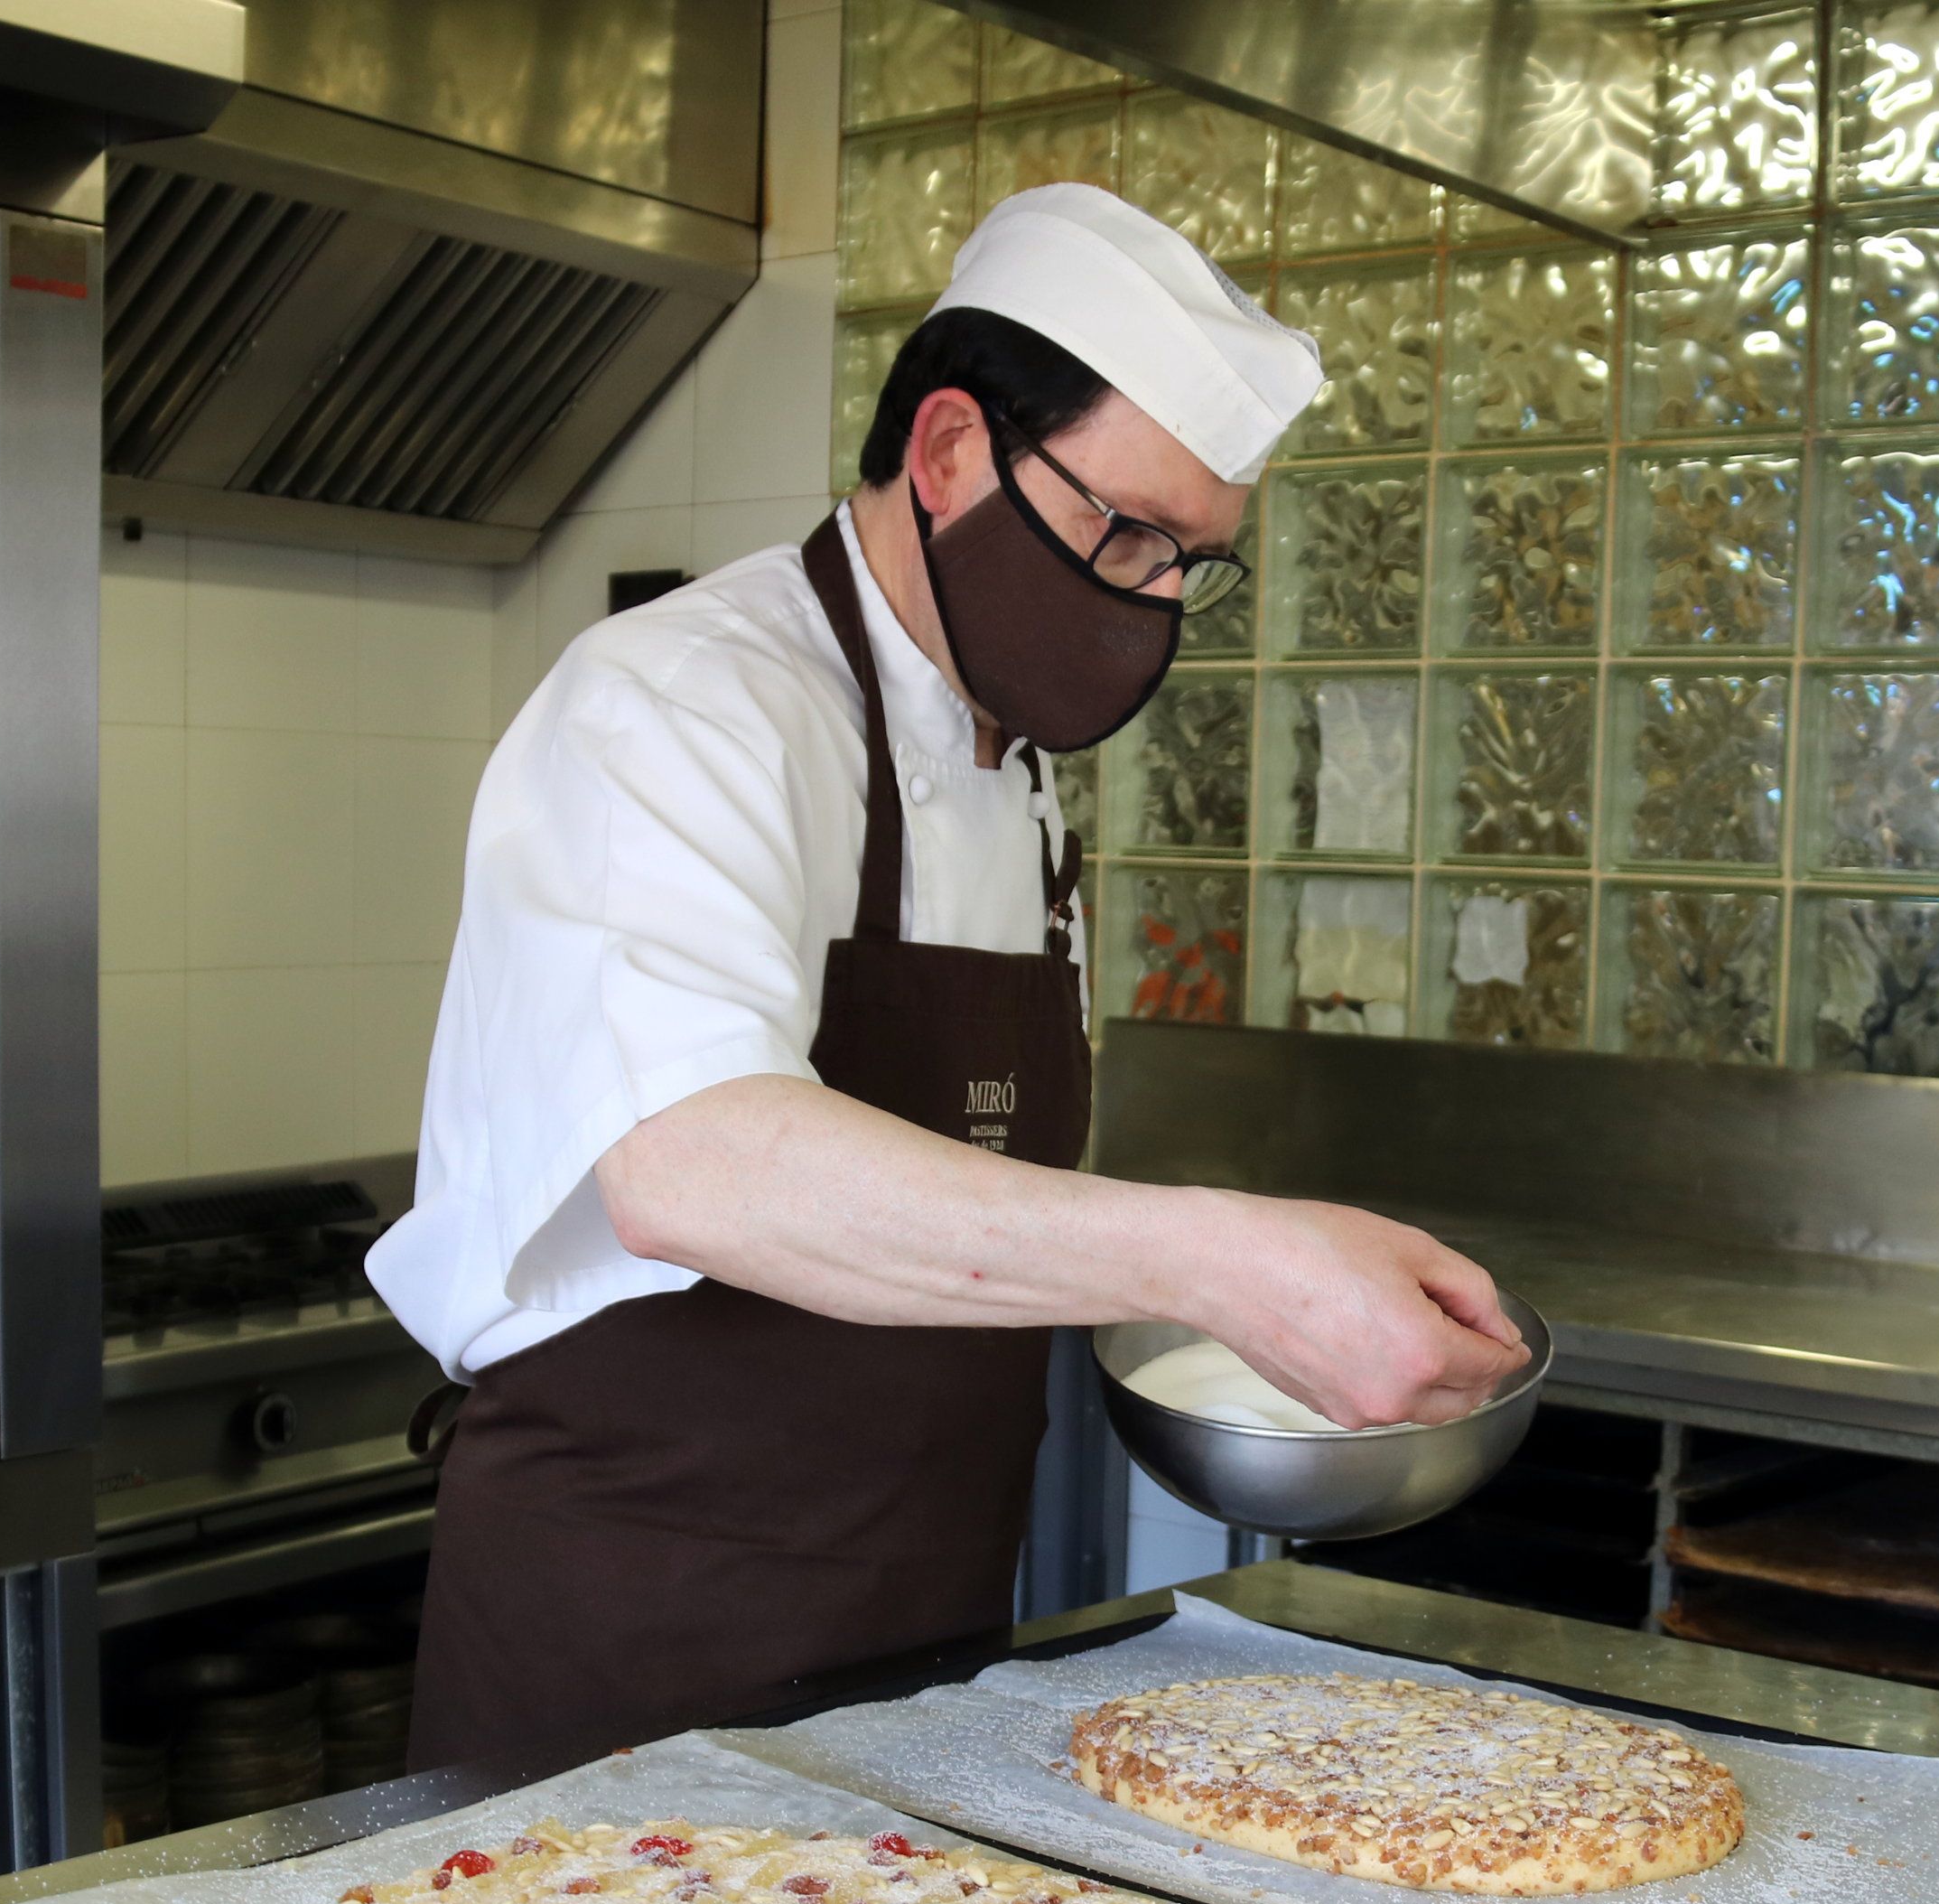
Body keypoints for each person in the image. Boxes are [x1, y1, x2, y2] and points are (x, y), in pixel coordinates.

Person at [375, 183, 1526, 1774]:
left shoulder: (1012, 765)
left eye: (1191, 564)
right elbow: (690, 1163)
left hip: (919, 1645)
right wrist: (1218, 1265)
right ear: (947, 453)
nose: (1147, 604)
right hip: (634, 1655)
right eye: (1122, 532)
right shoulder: (685, 703)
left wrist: (1220, 1303)